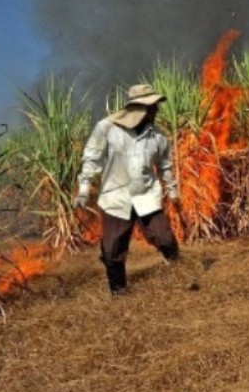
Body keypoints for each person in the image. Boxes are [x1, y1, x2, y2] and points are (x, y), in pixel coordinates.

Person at [74, 83, 180, 294]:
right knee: (113, 249)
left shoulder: (158, 137)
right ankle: (118, 290)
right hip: (116, 197)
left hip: (146, 196)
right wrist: (84, 189)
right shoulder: (106, 128)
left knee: (165, 239)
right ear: (139, 108)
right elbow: (92, 159)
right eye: (152, 106)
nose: (156, 110)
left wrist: (173, 191)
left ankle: (181, 275)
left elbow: (165, 166)